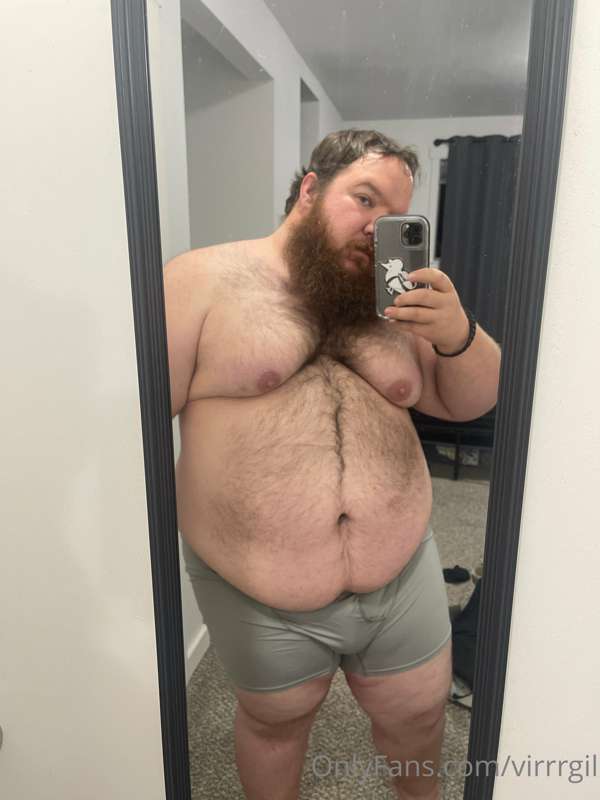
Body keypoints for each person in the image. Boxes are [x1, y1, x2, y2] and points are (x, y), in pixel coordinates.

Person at [164, 129, 500, 800]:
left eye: (396, 215)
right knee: (276, 726)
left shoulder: (396, 303)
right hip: (258, 586)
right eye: (364, 199)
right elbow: (137, 424)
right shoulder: (201, 279)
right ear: (311, 190)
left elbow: (466, 402)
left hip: (401, 571)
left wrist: (457, 331)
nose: (378, 228)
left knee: (419, 716)